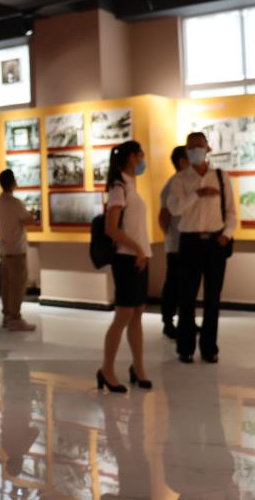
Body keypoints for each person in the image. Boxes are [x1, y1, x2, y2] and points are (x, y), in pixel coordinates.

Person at [167, 132, 236, 364]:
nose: (196, 150)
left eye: (199, 146)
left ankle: (209, 348)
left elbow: (231, 211)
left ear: (208, 148)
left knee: (212, 298)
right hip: (190, 242)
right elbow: (175, 209)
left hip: (216, 242)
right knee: (186, 297)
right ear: (186, 150)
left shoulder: (221, 177)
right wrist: (197, 193)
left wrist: (226, 235)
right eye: (191, 147)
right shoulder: (180, 179)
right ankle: (185, 347)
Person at [98, 140, 153, 393]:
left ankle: (138, 367)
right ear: (132, 157)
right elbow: (111, 228)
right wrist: (137, 249)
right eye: (141, 155)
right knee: (123, 315)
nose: (143, 160)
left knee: (137, 313)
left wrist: (142, 252)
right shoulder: (118, 186)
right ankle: (106, 369)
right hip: (126, 258)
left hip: (139, 256)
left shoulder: (131, 184)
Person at [0, 169, 37, 331]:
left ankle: (7, 316)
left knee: (6, 286)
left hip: (5, 250)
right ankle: (15, 318)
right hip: (17, 251)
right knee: (17, 286)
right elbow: (30, 220)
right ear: (13, 182)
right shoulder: (15, 203)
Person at [158, 145, 191, 340]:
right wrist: (171, 237)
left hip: (187, 243)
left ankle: (186, 321)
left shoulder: (186, 182)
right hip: (177, 245)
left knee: (187, 285)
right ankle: (168, 322)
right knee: (174, 284)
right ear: (182, 161)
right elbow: (163, 216)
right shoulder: (173, 184)